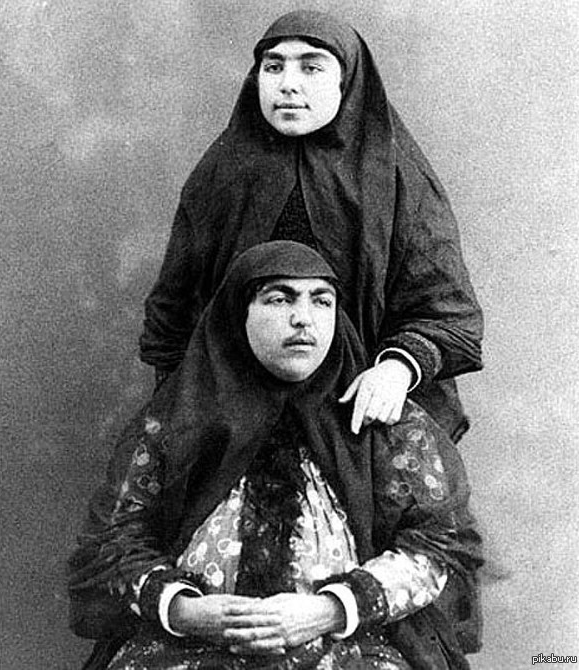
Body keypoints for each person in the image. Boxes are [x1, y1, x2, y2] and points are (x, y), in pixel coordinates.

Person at [69, 241, 483, 670]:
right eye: (280, 299)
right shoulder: (178, 418)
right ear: (238, 313)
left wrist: (332, 609)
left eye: (321, 301)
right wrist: (182, 610)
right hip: (188, 649)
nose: (303, 317)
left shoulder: (383, 421)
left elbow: (439, 547)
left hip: (347, 649)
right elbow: (114, 540)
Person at [139, 10, 483, 442]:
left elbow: (449, 313)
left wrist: (396, 370)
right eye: (274, 67)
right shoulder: (219, 177)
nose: (288, 84)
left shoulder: (399, 180)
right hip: (235, 414)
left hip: (361, 409)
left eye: (311, 67)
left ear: (347, 80)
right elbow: (173, 313)